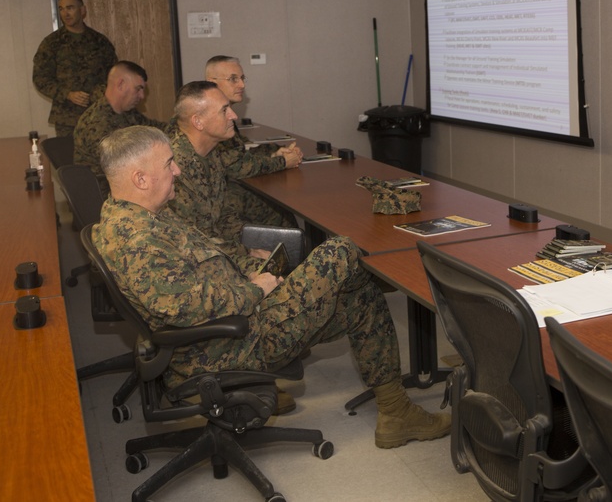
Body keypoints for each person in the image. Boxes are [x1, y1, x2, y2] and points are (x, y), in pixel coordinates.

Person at [92, 125, 450, 448]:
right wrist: (257, 289)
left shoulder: (139, 216)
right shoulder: (138, 240)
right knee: (341, 251)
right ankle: (408, 290)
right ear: (140, 179)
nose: (178, 170)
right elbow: (187, 308)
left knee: (360, 299)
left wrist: (249, 272)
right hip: (229, 343)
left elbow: (205, 263)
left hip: (229, 325)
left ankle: (395, 413)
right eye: (169, 164)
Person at [168, 81, 302, 260]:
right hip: (199, 260)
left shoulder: (211, 152)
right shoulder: (175, 166)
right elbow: (197, 239)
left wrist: (250, 242)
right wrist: (247, 252)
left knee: (289, 244)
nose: (233, 115)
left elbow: (220, 214)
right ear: (198, 122)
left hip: (216, 248)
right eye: (224, 110)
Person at [205, 55, 301, 228]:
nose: (242, 85)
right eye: (233, 79)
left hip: (220, 190)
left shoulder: (223, 113)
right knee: (277, 209)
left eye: (242, 78)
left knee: (278, 205)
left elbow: (238, 154)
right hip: (215, 199)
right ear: (212, 82)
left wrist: (274, 153)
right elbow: (237, 167)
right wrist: (282, 161)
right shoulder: (211, 117)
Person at [32, 0, 118, 137]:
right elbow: (41, 79)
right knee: (67, 158)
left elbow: (114, 75)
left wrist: (99, 94)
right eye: (61, 9)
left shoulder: (100, 41)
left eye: (70, 8)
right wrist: (67, 94)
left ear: (82, 10)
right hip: (67, 118)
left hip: (98, 114)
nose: (65, 13)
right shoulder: (51, 43)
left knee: (101, 158)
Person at [74, 60, 165, 189]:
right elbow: (120, 166)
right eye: (138, 89)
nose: (142, 96)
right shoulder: (97, 122)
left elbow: (152, 128)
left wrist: (182, 122)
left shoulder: (126, 112)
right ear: (121, 84)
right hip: (106, 192)